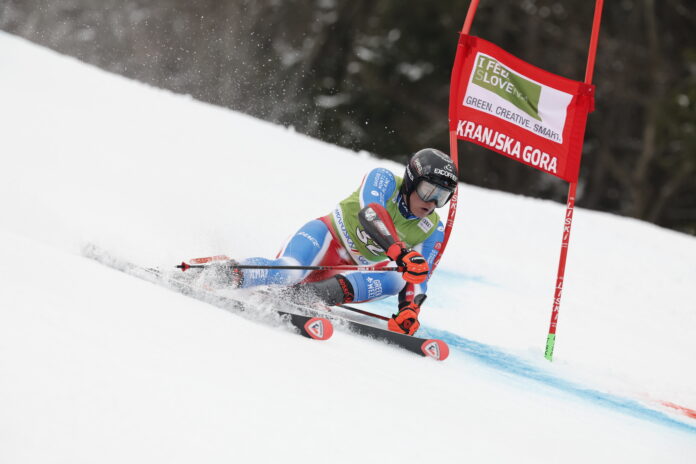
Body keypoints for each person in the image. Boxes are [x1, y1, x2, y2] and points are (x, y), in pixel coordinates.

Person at [211, 148, 457, 335]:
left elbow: (420, 276)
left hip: (350, 269)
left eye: (442, 196)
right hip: (325, 238)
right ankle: (224, 273)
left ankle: (311, 296)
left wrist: (410, 309)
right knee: (288, 271)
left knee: (399, 278)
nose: (432, 203)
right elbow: (371, 213)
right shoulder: (384, 179)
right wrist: (400, 251)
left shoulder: (433, 228)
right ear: (412, 181)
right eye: (428, 191)